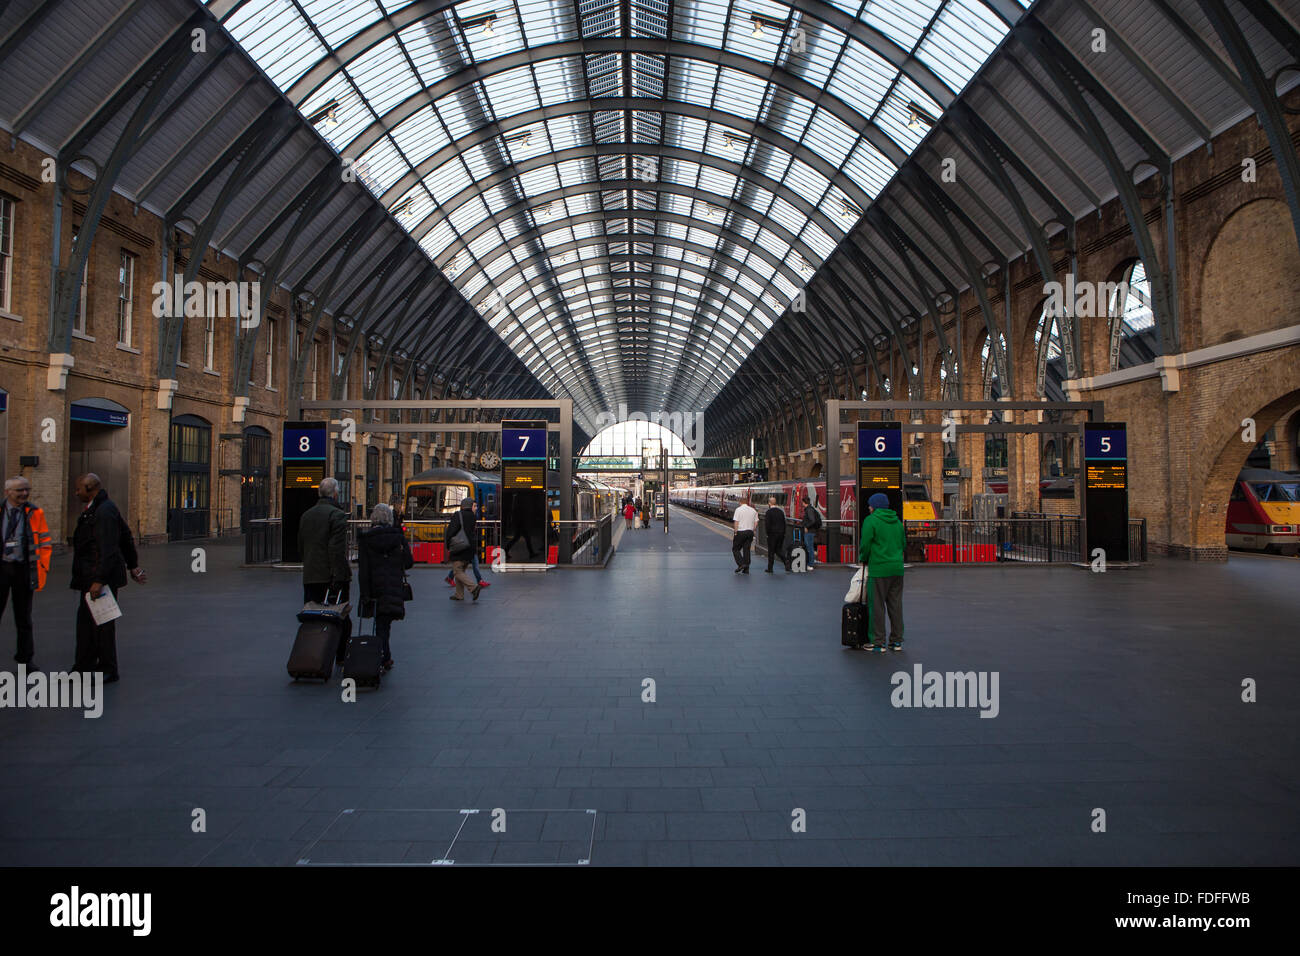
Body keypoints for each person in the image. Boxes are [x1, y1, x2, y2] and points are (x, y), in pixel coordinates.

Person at [71, 474, 145, 682]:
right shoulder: (99, 509)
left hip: (98, 577)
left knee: (102, 624)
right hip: (91, 575)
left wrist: (99, 580)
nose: (76, 493)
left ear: (90, 488)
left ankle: (107, 668)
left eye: (79, 489)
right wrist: (133, 565)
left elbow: (109, 548)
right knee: (86, 624)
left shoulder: (103, 512)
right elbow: (126, 536)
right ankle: (83, 667)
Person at [298, 476, 352, 664]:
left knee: (312, 618)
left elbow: (301, 546)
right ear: (335, 494)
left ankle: (311, 655)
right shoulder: (337, 515)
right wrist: (339, 576)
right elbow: (336, 550)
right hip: (331, 576)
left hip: (311, 575)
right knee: (341, 616)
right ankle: (340, 656)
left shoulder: (306, 515)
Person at [2, 477, 53, 669]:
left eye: (26, 489)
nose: (24, 493)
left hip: (23, 569)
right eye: (19, 490)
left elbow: (45, 541)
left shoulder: (35, 512)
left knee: (24, 617)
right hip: (2, 568)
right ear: (8, 492)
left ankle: (25, 658)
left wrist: (43, 567)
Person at [357, 503, 413, 672]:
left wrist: (364, 594)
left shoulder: (366, 540)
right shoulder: (398, 537)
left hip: (374, 587)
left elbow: (363, 571)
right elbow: (408, 562)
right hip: (393, 587)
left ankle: (383, 656)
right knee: (384, 624)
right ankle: (383, 657)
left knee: (380, 623)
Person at [859, 492, 906, 652]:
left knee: (876, 605)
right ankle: (896, 641)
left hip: (878, 569)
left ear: (874, 506)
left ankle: (878, 642)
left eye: (870, 505)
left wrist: (863, 558)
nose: (869, 507)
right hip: (897, 569)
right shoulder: (897, 522)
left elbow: (865, 544)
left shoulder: (871, 521)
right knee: (895, 605)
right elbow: (903, 544)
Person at [445, 499, 490, 588]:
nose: (476, 508)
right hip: (467, 545)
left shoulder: (471, 517)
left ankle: (453, 582)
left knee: (459, 567)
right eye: (474, 506)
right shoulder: (468, 516)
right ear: (470, 506)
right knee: (466, 566)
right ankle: (475, 585)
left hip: (466, 545)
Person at [446, 497, 482, 601]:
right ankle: (459, 594)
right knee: (461, 571)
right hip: (470, 547)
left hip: (459, 547)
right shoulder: (473, 517)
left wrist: (448, 544)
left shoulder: (458, 515)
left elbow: (451, 531)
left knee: (457, 571)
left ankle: (473, 587)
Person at [503, 493, 539, 560]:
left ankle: (506, 550)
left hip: (519, 525)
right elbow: (522, 517)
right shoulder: (521, 508)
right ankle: (531, 553)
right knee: (526, 539)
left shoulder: (516, 506)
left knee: (518, 539)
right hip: (521, 525)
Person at [763, 501, 792, 573]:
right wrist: (784, 533)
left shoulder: (768, 512)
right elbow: (784, 523)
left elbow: (767, 524)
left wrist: (767, 533)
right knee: (778, 549)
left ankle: (770, 568)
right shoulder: (780, 512)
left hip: (772, 534)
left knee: (771, 551)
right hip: (781, 534)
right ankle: (785, 560)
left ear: (769, 503)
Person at [731, 498, 758, 573]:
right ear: (747, 502)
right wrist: (753, 529)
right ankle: (746, 568)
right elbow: (756, 522)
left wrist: (735, 532)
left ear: (740, 502)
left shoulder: (738, 510)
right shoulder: (753, 510)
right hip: (750, 532)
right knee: (746, 550)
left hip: (741, 531)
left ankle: (741, 564)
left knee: (735, 549)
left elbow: (736, 522)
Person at [799, 491, 822, 571]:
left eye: (802, 502)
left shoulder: (809, 510)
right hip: (810, 531)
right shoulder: (809, 509)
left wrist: (806, 527)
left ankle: (811, 564)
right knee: (809, 547)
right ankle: (810, 562)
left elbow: (812, 520)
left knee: (809, 548)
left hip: (810, 532)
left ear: (804, 502)